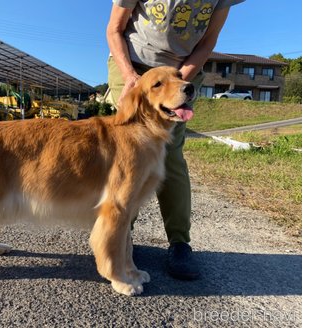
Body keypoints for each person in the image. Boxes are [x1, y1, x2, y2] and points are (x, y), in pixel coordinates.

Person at [106, 0, 245, 280]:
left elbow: (207, 42)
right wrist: (132, 78)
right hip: (131, 67)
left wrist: (177, 83)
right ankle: (121, 234)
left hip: (180, 71)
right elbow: (114, 29)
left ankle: (179, 242)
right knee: (127, 156)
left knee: (169, 158)